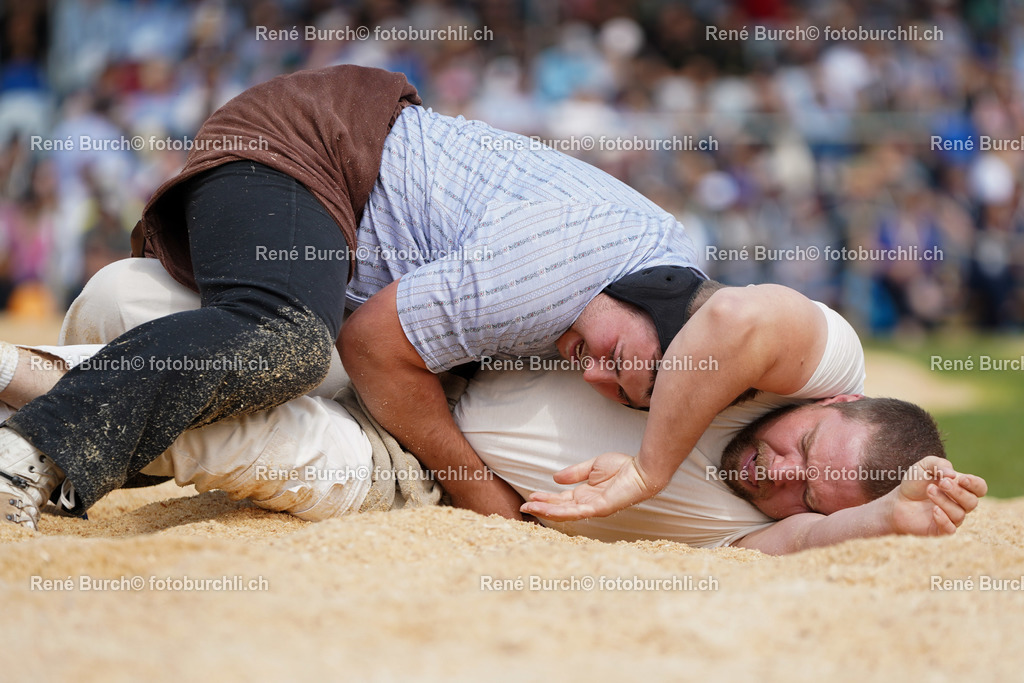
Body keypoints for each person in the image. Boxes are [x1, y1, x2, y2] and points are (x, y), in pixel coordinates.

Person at [0, 65, 931, 528]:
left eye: (808, 494)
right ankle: (29, 450)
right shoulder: (569, 267)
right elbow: (375, 345)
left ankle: (47, 409)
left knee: (143, 314)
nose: (596, 374)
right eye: (621, 359)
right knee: (283, 339)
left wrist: (878, 517)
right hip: (310, 149)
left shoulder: (639, 290)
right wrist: (497, 494)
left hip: (332, 209)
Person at [0, 258, 986, 554]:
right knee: (124, 295)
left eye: (804, 492)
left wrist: (878, 518)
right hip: (401, 360)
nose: (779, 474)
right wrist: (649, 465)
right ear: (835, 398)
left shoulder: (759, 526)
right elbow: (740, 315)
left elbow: (800, 539)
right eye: (804, 447)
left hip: (408, 467)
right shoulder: (810, 366)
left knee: (249, 434)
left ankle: (27, 397)